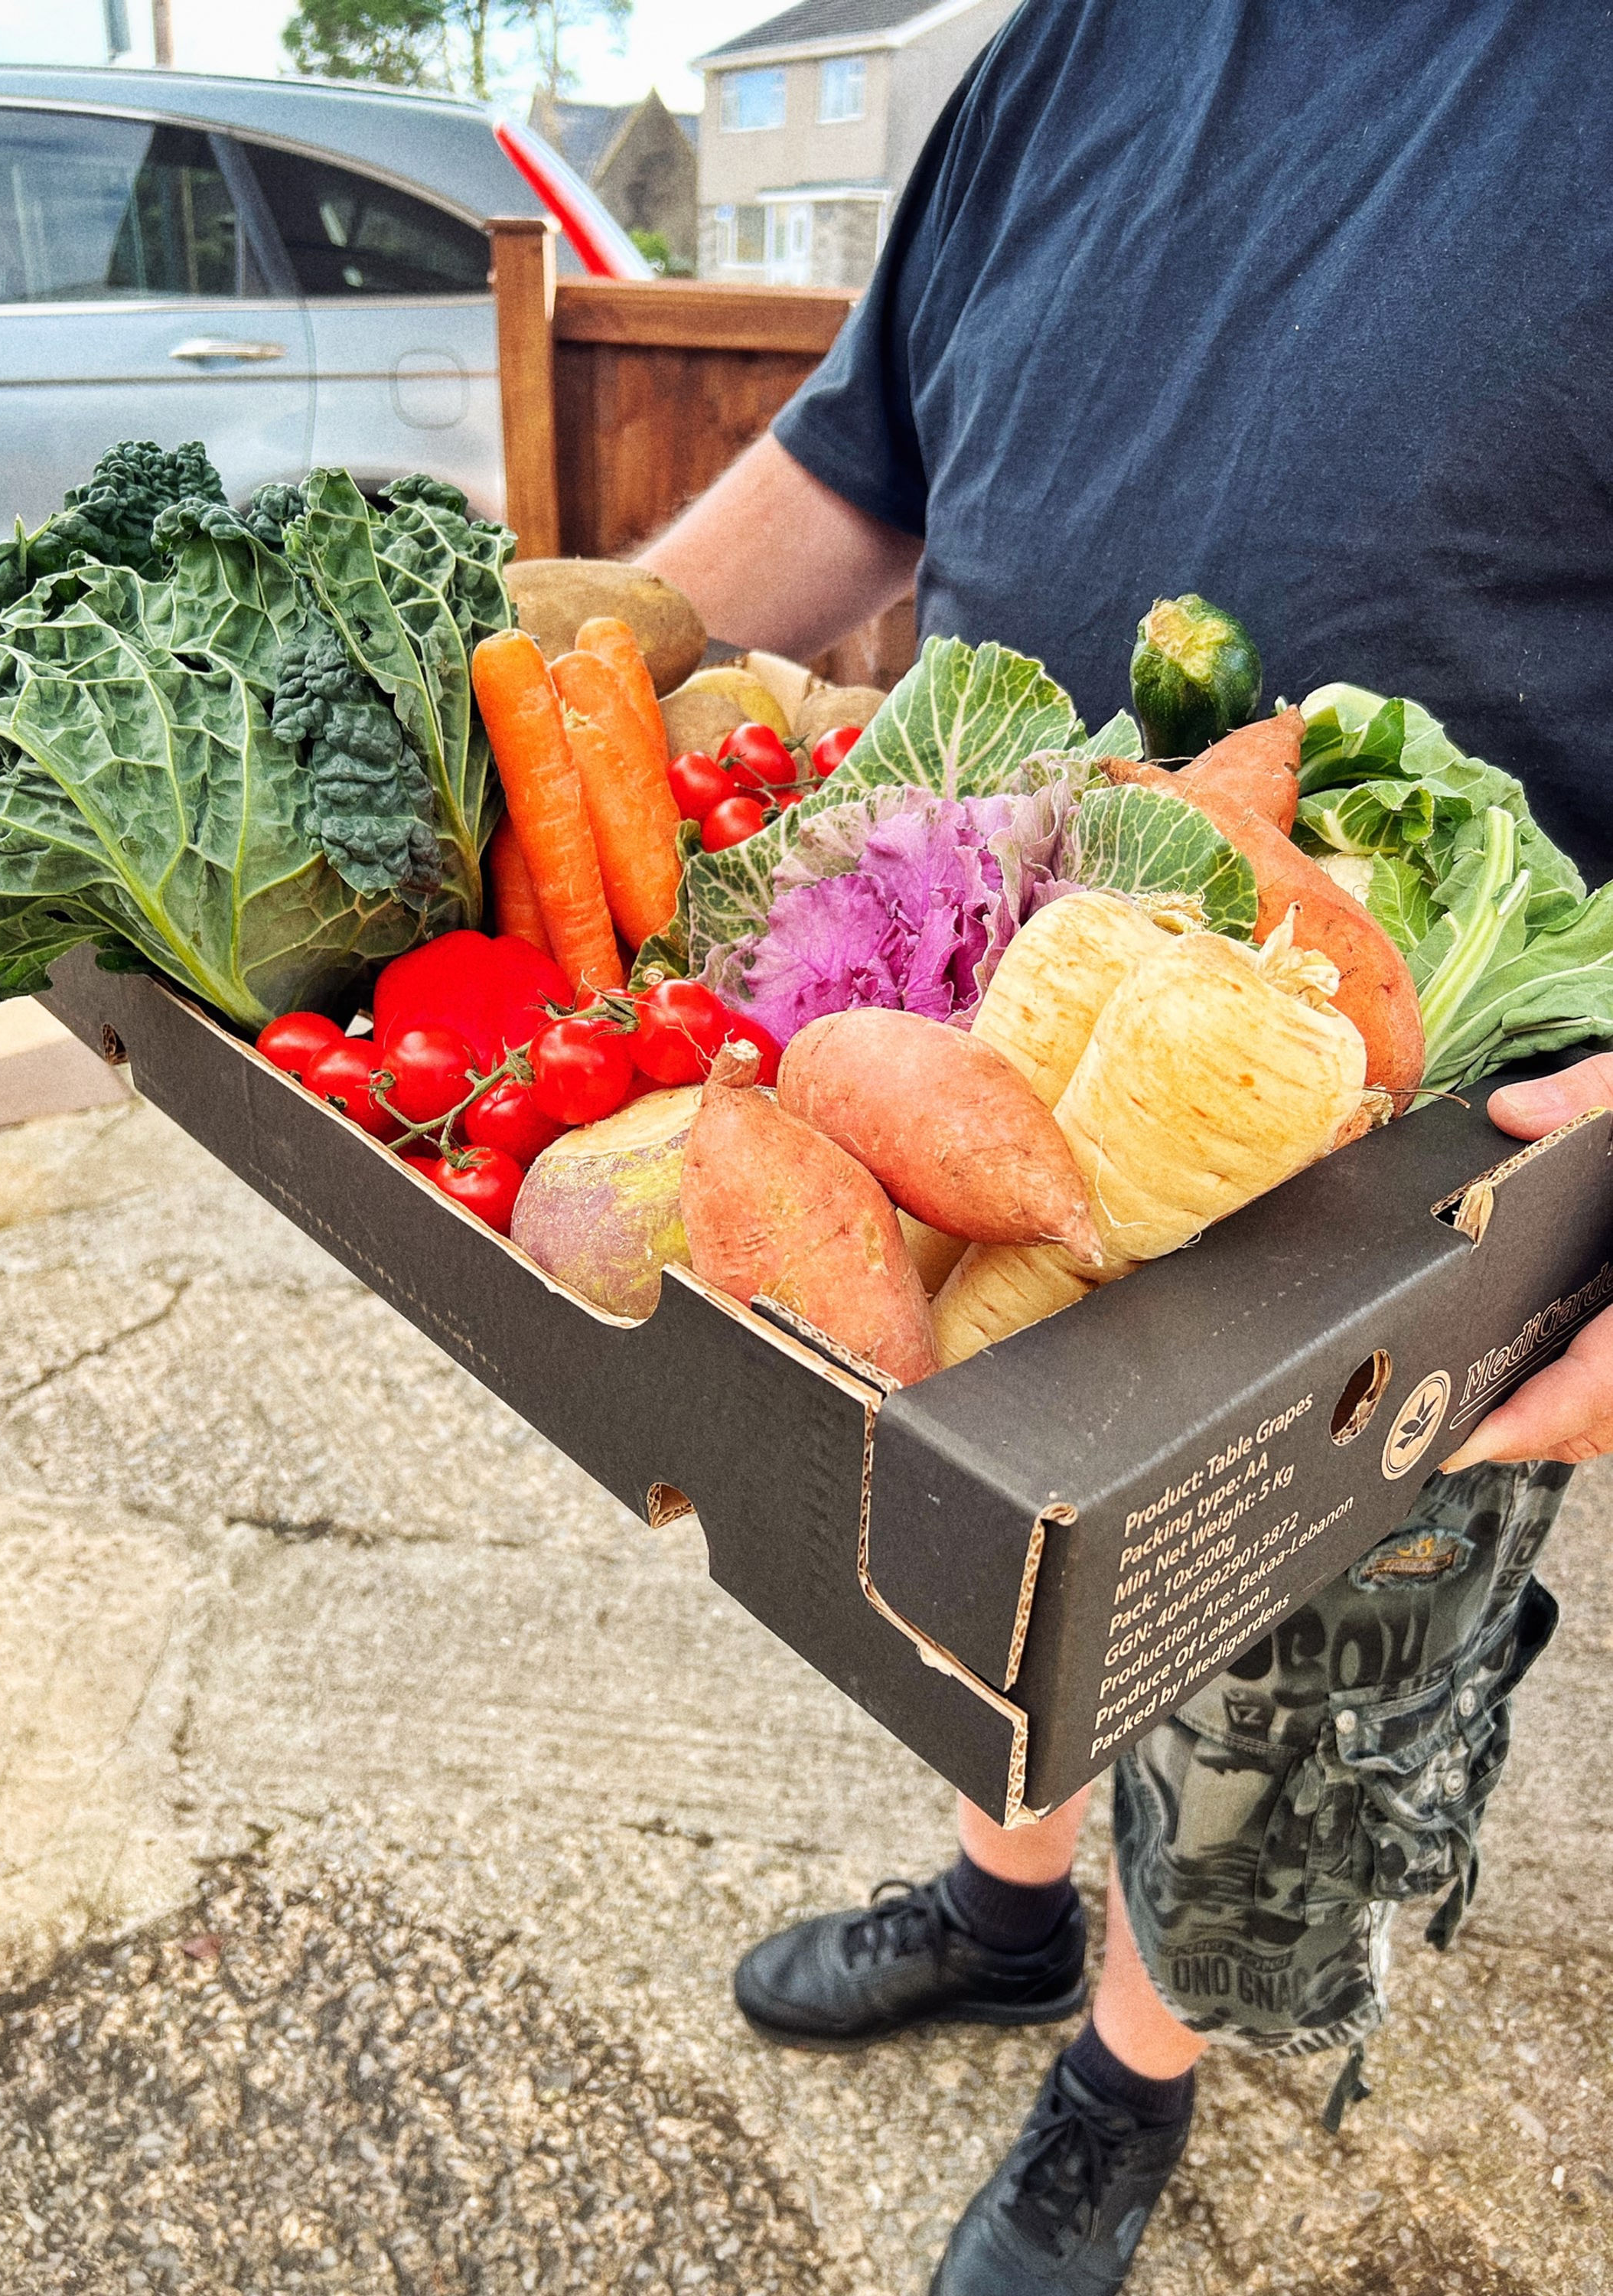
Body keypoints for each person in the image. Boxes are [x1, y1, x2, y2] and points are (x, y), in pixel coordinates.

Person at [640, 7, 1613, 2290]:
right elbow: (853, 472)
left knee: (1281, 1671)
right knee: (982, 1500)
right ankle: (1000, 1907)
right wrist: (569, 679)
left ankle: (1126, 2068)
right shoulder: (1073, 35)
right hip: (1001, 1023)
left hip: (1423, 1131)